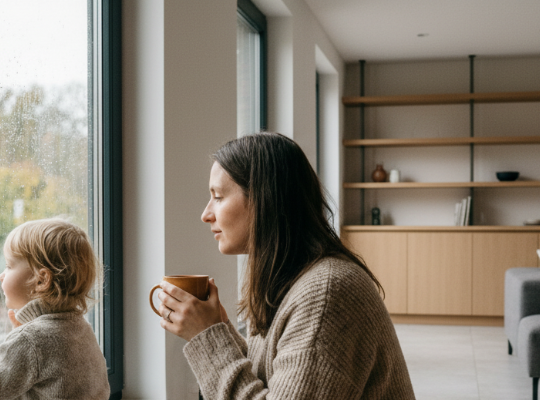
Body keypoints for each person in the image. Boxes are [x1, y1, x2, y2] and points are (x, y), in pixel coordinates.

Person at [155, 132, 415, 399]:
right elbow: (275, 380)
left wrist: (208, 338)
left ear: (263, 200)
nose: (206, 214)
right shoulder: (286, 280)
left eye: (218, 196)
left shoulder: (325, 294)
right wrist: (221, 332)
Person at [0, 218, 109, 399]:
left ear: (42, 280)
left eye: (8, 266)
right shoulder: (80, 327)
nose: (1, 275)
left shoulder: (30, 340)